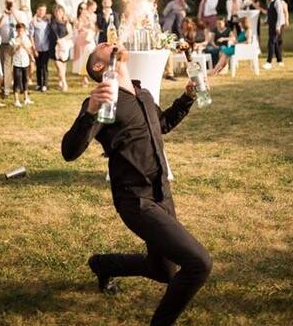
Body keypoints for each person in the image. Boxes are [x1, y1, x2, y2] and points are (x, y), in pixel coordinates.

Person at [61, 43, 212, 326]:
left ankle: (102, 265)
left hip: (162, 193)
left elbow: (163, 123)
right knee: (198, 264)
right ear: (98, 66)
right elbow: (70, 151)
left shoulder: (142, 93)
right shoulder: (105, 98)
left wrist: (188, 97)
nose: (111, 42)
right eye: (104, 45)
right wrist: (91, 110)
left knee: (164, 271)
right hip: (136, 201)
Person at [0, 0, 26, 97]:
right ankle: (7, 89)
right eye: (8, 3)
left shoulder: (20, 14)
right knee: (6, 66)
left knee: (19, 66)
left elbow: (22, 26)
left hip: (18, 43)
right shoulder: (0, 14)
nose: (9, 5)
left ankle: (20, 86)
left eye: (11, 3)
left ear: (15, 3)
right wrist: (4, 16)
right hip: (5, 43)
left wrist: (13, 14)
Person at [49, 4, 73, 92]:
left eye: (60, 11)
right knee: (59, 66)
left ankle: (60, 81)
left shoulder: (66, 23)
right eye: (56, 12)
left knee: (63, 66)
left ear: (63, 12)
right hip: (54, 46)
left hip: (63, 47)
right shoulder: (51, 21)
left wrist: (62, 40)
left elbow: (70, 34)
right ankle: (64, 83)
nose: (58, 13)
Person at [10, 23, 34, 107]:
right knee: (17, 80)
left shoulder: (26, 39)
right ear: (16, 31)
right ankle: (16, 100)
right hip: (17, 63)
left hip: (25, 62)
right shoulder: (13, 40)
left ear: (24, 31)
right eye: (19, 30)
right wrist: (17, 47)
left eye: (22, 30)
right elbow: (11, 53)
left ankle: (26, 98)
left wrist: (23, 45)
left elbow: (30, 51)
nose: (20, 32)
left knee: (25, 80)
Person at [74, 0, 98, 86]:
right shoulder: (77, 19)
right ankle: (84, 79)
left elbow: (94, 28)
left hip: (89, 39)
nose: (83, 10)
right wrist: (81, 18)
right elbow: (78, 28)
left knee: (92, 56)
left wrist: (89, 20)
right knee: (82, 59)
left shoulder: (91, 17)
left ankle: (94, 75)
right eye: (81, 8)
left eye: (84, 8)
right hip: (81, 40)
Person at [29, 4, 51, 92]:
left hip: (46, 47)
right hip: (37, 48)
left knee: (44, 66)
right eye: (40, 10)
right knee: (38, 66)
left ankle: (44, 84)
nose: (41, 12)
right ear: (37, 10)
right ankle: (39, 84)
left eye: (43, 10)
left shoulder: (48, 21)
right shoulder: (33, 22)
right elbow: (31, 36)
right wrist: (33, 48)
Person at [262, 0, 285, 70]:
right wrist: (265, 21)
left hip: (276, 26)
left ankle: (269, 62)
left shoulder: (277, 2)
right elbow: (269, 14)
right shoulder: (269, 2)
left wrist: (278, 27)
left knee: (271, 43)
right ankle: (280, 61)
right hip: (271, 25)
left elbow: (280, 15)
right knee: (275, 43)